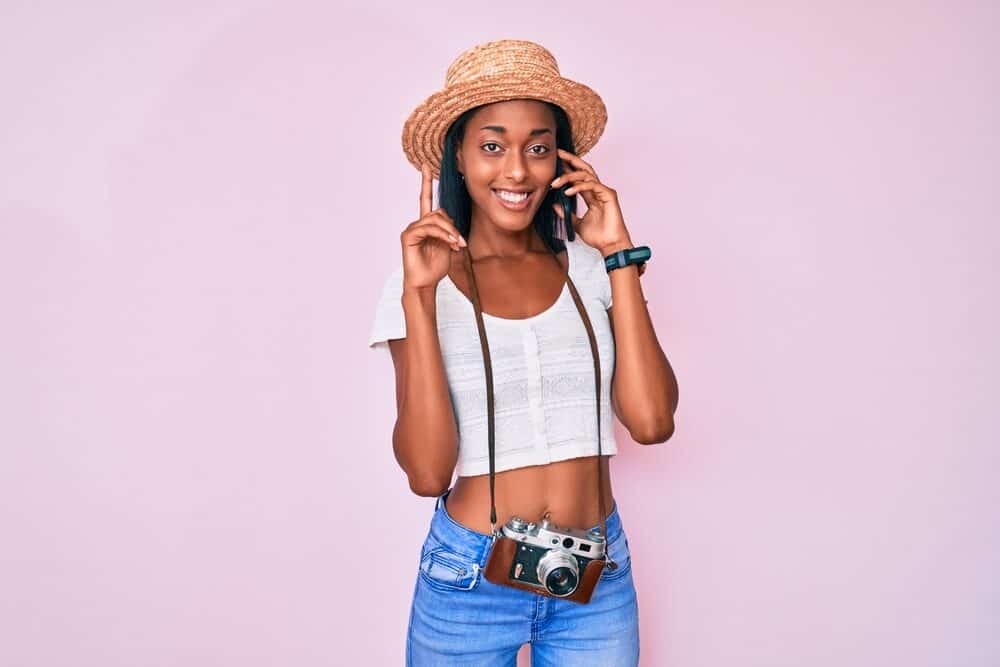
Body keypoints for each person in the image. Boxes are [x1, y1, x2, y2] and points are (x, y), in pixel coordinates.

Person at [368, 39, 679, 666]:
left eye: (537, 147)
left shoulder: (592, 268)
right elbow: (427, 473)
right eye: (492, 145)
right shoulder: (419, 282)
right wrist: (420, 299)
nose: (517, 170)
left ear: (560, 160)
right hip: (469, 577)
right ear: (457, 154)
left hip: (595, 572)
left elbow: (652, 422)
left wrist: (619, 255)